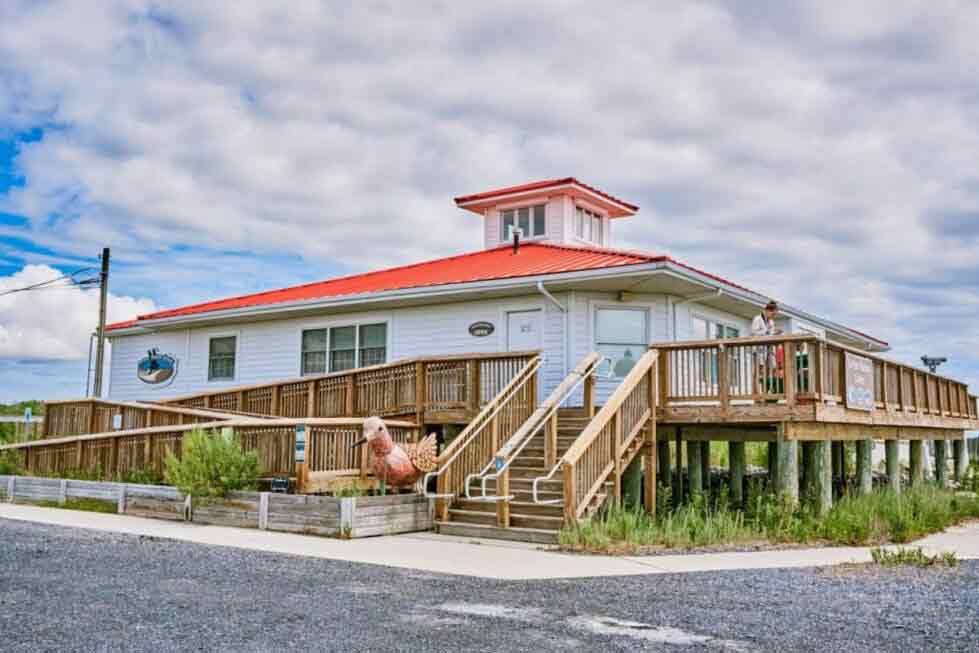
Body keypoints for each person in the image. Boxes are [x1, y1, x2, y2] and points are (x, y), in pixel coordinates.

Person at [752, 301, 784, 396]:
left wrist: (775, 333)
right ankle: (757, 394)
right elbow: (754, 333)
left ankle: (766, 393)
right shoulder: (757, 319)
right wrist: (767, 331)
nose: (773, 316)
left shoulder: (771, 322)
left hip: (769, 349)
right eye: (773, 314)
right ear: (767, 311)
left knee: (771, 369)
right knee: (759, 371)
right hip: (759, 349)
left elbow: (770, 334)